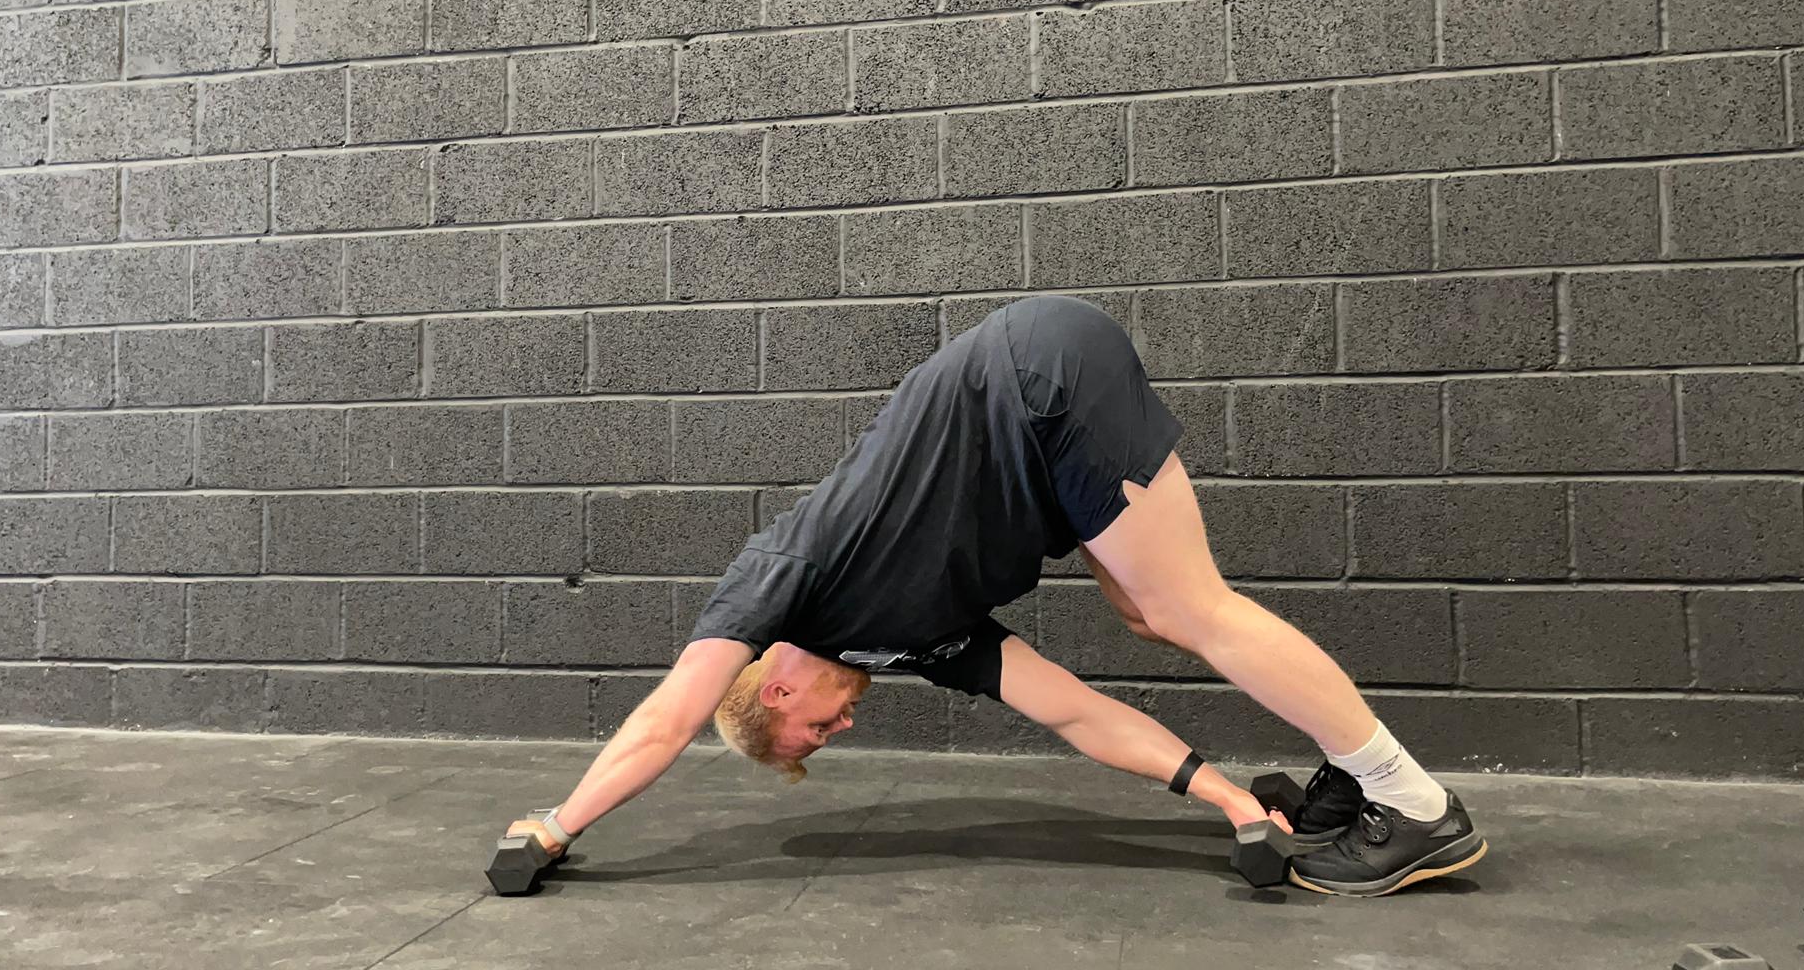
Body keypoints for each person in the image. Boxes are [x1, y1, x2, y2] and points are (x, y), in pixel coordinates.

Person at [506, 295, 1487, 898]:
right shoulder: (913, 645)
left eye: (813, 738)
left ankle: (1413, 805)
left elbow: (663, 719)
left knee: (1192, 609)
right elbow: (1073, 711)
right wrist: (1227, 797)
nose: (838, 735)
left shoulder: (778, 576)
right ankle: (1354, 780)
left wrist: (555, 827)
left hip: (1035, 383)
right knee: (1149, 613)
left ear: (774, 695)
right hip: (1045, 419)